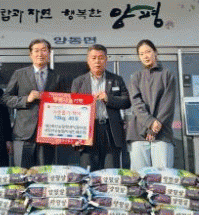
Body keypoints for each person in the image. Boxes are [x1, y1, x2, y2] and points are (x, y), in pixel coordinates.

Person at [2, 39, 62, 168]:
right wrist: (26, 100)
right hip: (23, 135)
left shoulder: (57, 77)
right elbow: (6, 98)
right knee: (22, 173)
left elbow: (65, 103)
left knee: (43, 174)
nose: (40, 54)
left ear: (49, 53)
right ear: (30, 54)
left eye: (44, 50)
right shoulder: (19, 74)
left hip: (48, 134)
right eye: (36, 51)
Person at [71, 44, 131, 170]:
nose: (97, 61)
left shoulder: (116, 80)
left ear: (106, 60)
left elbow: (126, 102)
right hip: (88, 132)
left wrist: (109, 99)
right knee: (88, 171)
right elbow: (73, 110)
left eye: (101, 58)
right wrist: (74, 136)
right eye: (93, 58)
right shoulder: (79, 82)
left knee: (110, 171)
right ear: (88, 60)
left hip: (110, 131)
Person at [127, 39, 176, 171]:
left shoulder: (167, 75)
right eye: (141, 54)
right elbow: (136, 103)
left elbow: (167, 105)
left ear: (155, 52)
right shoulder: (136, 77)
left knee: (162, 176)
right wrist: (150, 123)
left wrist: (154, 129)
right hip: (138, 133)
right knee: (139, 176)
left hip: (162, 133)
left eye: (148, 51)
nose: (145, 56)